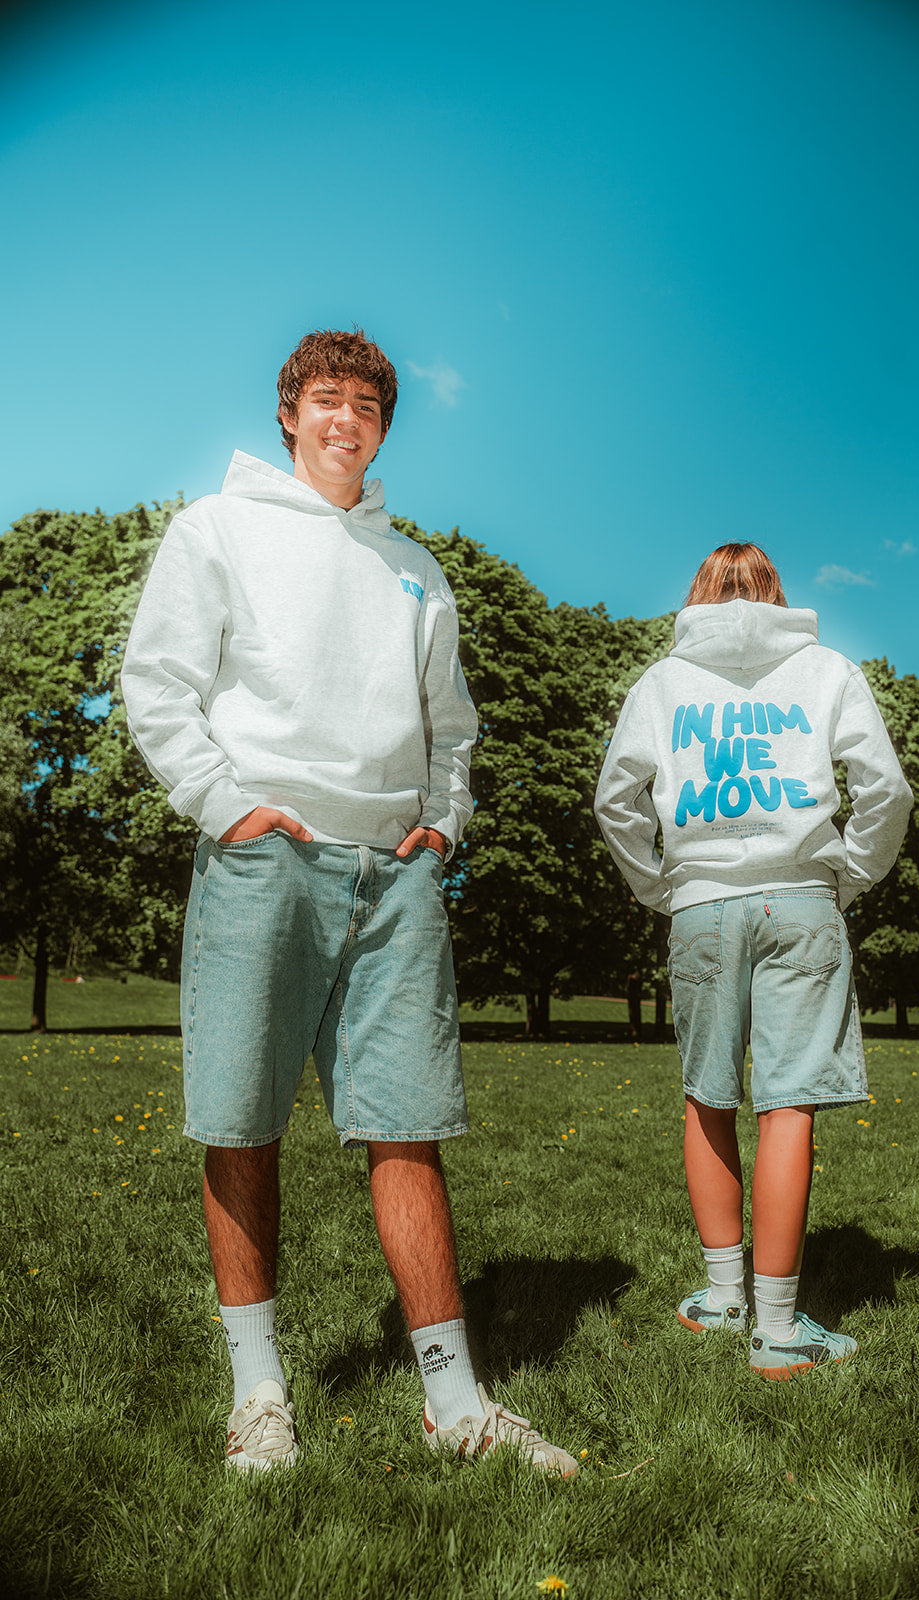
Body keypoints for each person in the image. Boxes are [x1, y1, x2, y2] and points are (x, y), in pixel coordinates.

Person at [122, 327, 577, 1475]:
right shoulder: (216, 528)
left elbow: (452, 725)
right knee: (241, 1120)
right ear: (289, 413)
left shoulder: (412, 567)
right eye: (326, 399)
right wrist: (226, 805)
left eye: (367, 406)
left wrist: (443, 824)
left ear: (381, 429)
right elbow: (158, 683)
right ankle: (259, 1395)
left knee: (405, 1125)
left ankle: (455, 1403)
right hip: (264, 858)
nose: (346, 420)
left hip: (393, 873)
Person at [594, 543, 912, 1378]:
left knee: (707, 1098)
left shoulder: (661, 682)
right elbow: (885, 789)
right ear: (775, 594)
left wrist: (661, 887)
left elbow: (614, 800)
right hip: (800, 899)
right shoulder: (826, 670)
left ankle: (721, 1296)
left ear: (697, 595)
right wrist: (849, 873)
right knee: (788, 1104)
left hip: (699, 904)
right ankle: (776, 1330)